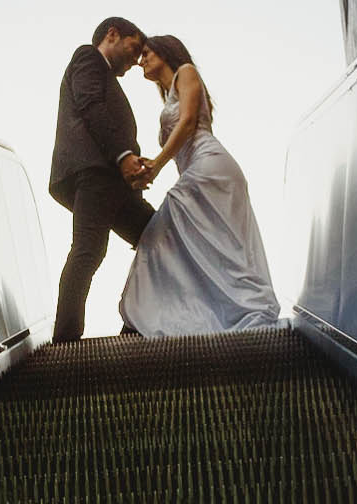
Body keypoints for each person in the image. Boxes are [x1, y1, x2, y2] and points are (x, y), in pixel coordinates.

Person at [117, 34, 281, 337]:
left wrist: (156, 165)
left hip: (210, 167)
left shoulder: (187, 72)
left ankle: (138, 323)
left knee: (162, 233)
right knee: (215, 248)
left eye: (147, 54)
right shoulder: (168, 95)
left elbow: (190, 121)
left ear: (165, 53)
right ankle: (184, 315)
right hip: (196, 169)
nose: (141, 61)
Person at [49, 18, 155, 343]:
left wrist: (132, 163)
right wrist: (124, 156)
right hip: (97, 173)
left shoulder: (105, 73)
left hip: (116, 183)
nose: (136, 60)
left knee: (157, 237)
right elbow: (91, 107)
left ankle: (136, 322)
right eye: (134, 48)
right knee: (89, 250)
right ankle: (65, 341)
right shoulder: (88, 58)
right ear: (112, 34)